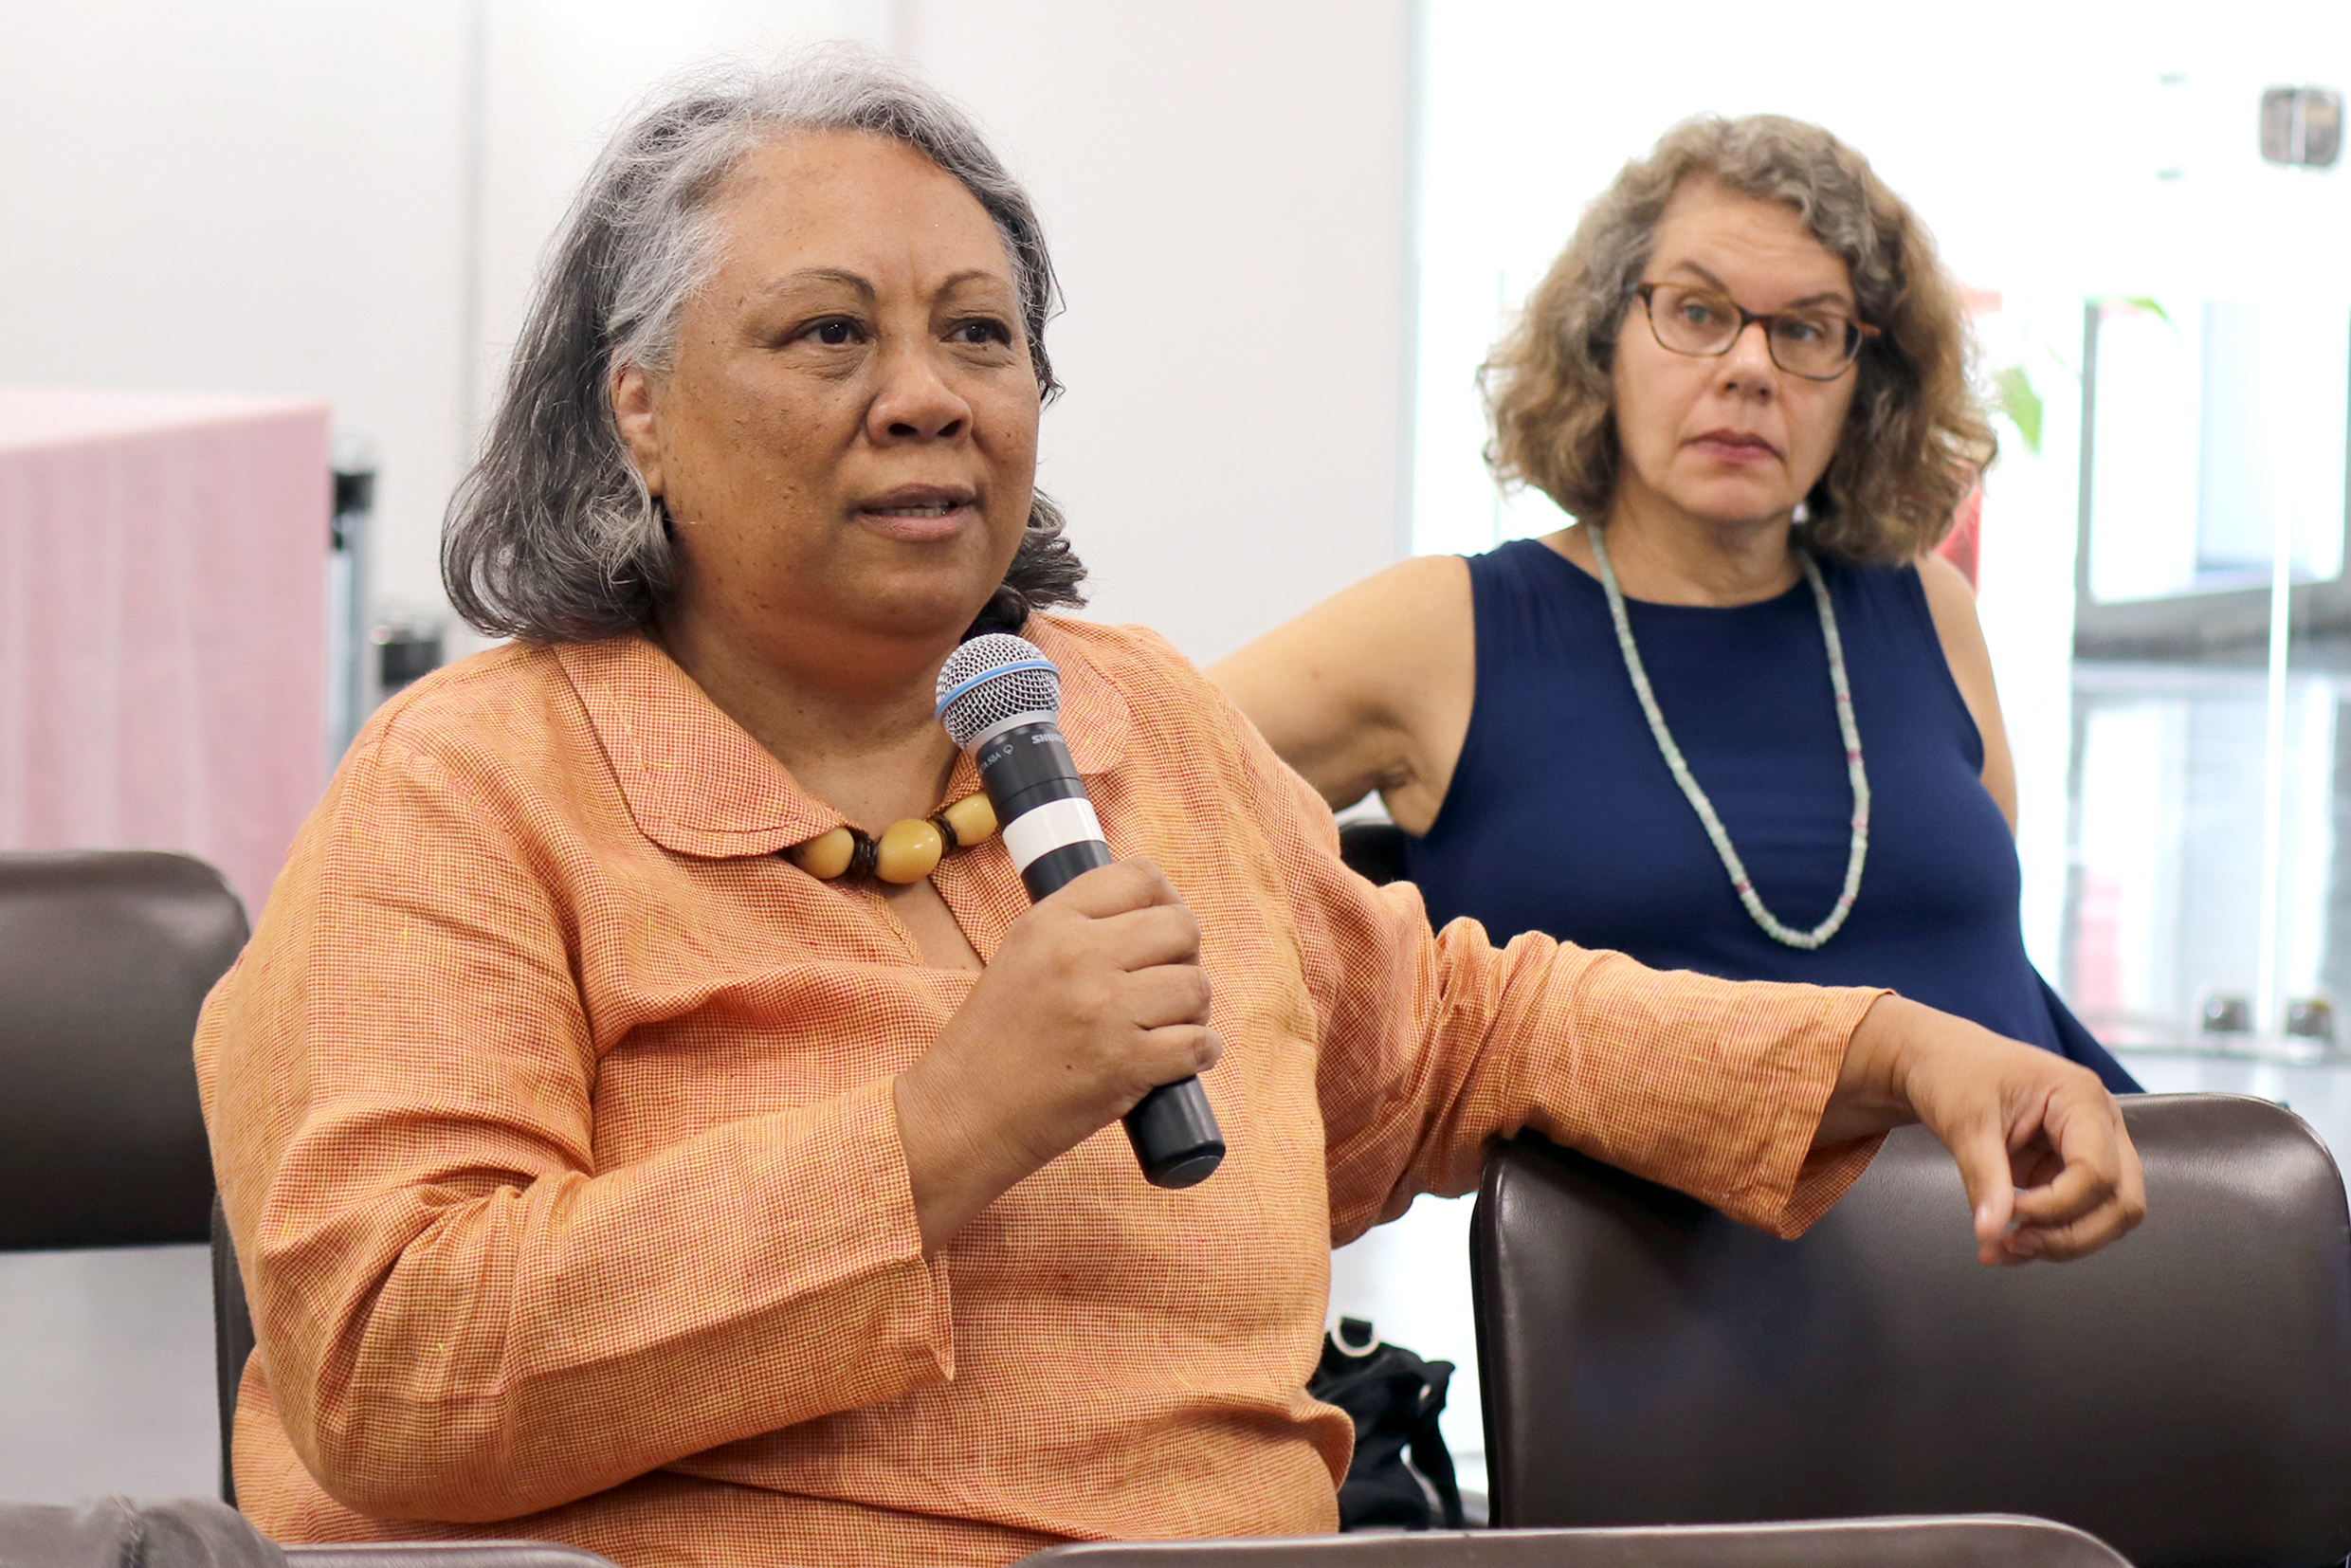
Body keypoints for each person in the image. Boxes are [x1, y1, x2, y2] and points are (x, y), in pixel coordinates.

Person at [196, 61, 2141, 1568]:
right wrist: (938, 1132)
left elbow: (1464, 1030)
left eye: (978, 332)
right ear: (635, 407)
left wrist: (1893, 1047)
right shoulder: (466, 791)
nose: (927, 395)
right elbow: (391, 1362)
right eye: (826, 333)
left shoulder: (1131, 724)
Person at [1214, 115, 2137, 1094]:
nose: (1748, 367)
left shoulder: (1927, 608)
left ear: (1863, 387)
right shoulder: (1445, 630)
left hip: (2052, 1199)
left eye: (1804, 330)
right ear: (1604, 339)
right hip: (1679, 1244)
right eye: (1696, 313)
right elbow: (1120, 776)